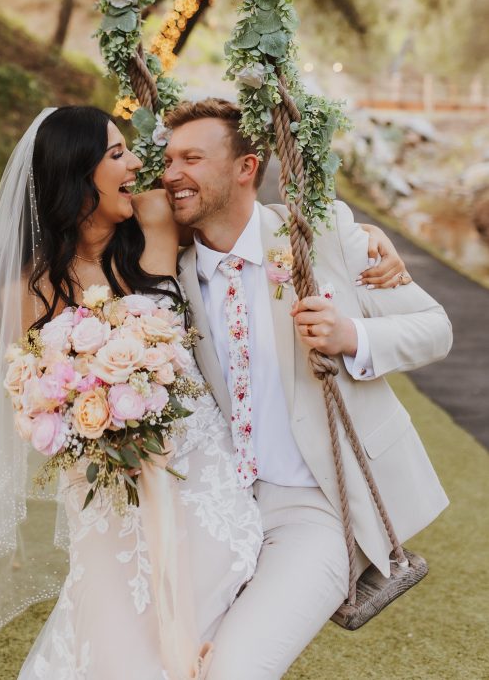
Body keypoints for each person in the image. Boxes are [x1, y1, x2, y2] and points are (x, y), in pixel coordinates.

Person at [0, 104, 410, 680]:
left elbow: (248, 220)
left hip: (208, 492)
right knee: (116, 656)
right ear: (74, 172)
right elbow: (35, 405)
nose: (139, 164)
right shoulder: (29, 291)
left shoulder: (156, 217)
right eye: (116, 154)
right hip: (115, 504)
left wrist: (361, 234)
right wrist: (93, 414)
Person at [161, 98, 452, 680]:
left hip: (319, 506)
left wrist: (352, 336)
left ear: (246, 167)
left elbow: (435, 329)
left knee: (235, 670)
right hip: (218, 507)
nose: (171, 174)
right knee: (164, 661)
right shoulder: (171, 270)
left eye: (192, 158)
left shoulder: (320, 235)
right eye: (168, 159)